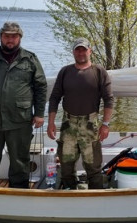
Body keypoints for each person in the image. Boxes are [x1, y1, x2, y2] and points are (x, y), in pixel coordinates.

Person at [0, 22, 47, 188]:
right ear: (1, 37)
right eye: (6, 36)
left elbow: (41, 87)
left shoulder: (30, 59)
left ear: (20, 38)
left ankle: (19, 193)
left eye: (14, 36)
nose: (10, 40)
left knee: (20, 161)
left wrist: (39, 113)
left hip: (20, 119)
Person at [46, 37, 114, 189]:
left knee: (93, 166)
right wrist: (51, 123)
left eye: (84, 49)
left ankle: (96, 196)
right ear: (73, 52)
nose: (81, 52)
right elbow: (54, 98)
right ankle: (69, 192)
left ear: (90, 51)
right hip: (68, 125)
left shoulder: (99, 72)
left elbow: (109, 99)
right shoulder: (65, 71)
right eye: (78, 49)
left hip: (90, 125)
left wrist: (105, 124)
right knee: (66, 165)